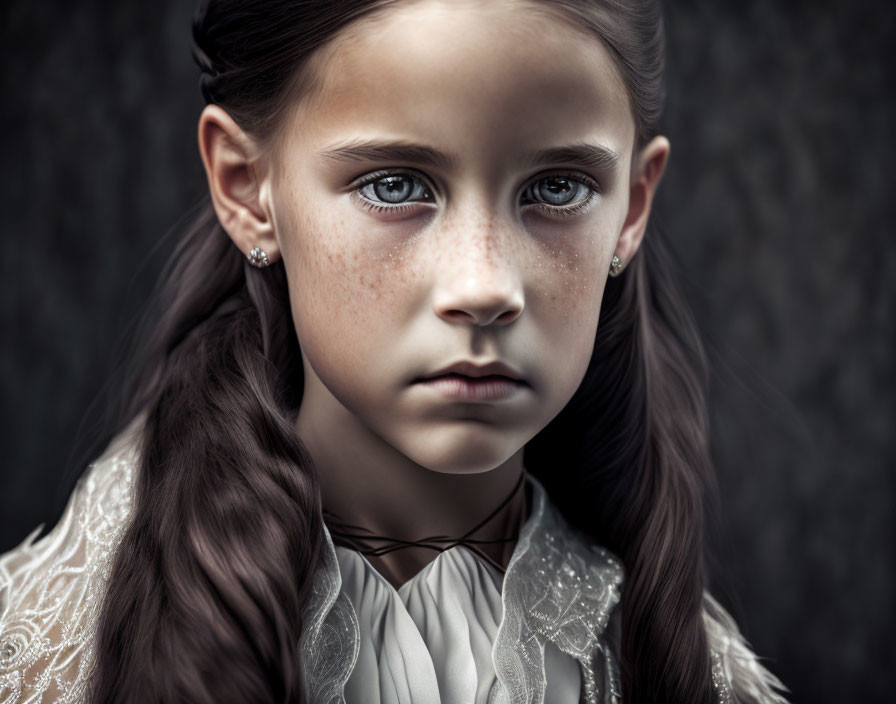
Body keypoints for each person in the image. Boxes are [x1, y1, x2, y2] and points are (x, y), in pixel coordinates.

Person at [0, 1, 791, 702]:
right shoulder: (48, 650)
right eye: (394, 185)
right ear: (246, 188)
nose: (484, 287)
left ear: (632, 207)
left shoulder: (685, 668)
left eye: (556, 189)